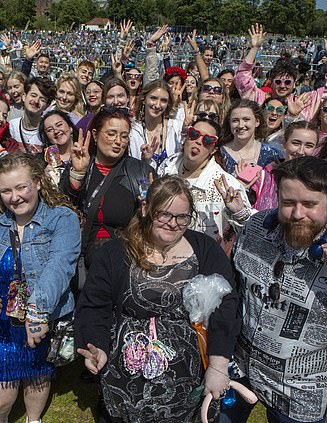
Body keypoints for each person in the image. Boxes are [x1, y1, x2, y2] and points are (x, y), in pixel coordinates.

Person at [223, 156, 327, 423]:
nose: (297, 214)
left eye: (310, 204)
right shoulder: (258, 227)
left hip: (301, 400)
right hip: (239, 372)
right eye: (288, 203)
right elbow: (248, 233)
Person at [75, 175, 240, 422]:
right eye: (164, 214)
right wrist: (97, 346)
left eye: (182, 216)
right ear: (146, 209)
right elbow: (94, 306)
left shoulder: (205, 251)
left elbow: (226, 308)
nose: (173, 224)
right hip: (126, 376)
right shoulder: (116, 252)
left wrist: (218, 364)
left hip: (187, 377)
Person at [0, 152, 80, 423]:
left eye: (22, 187)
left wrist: (37, 313)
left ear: (37, 182)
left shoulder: (62, 219)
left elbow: (60, 267)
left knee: (37, 376)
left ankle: (33, 419)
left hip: (41, 317)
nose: (15, 197)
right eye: (6, 191)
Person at [61, 108, 155, 271]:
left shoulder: (140, 172)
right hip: (82, 265)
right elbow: (63, 208)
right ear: (96, 135)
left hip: (124, 264)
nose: (118, 141)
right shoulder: (80, 165)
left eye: (124, 136)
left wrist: (148, 210)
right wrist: (78, 174)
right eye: (111, 134)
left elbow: (152, 222)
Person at [158, 118, 252, 244]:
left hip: (203, 256)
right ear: (186, 137)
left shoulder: (226, 185)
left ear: (213, 150)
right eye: (194, 134)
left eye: (207, 140)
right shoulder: (167, 166)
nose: (198, 142)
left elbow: (249, 231)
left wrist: (239, 214)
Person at [234, 24, 327, 122]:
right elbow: (242, 79)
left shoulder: (305, 101)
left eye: (287, 82)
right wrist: (254, 48)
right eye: (278, 82)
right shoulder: (259, 99)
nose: (282, 86)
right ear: (271, 82)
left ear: (294, 83)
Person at [129, 80, 184, 168]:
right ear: (144, 99)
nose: (158, 105)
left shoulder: (176, 127)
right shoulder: (133, 129)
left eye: (163, 100)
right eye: (153, 98)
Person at [220, 99, 282, 175]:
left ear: (257, 122)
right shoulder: (220, 155)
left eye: (246, 120)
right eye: (235, 120)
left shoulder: (272, 154)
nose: (241, 125)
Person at [8, 77, 55, 154]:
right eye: (33, 95)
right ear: (24, 96)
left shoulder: (48, 130)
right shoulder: (12, 126)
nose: (36, 101)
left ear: (47, 106)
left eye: (42, 99)